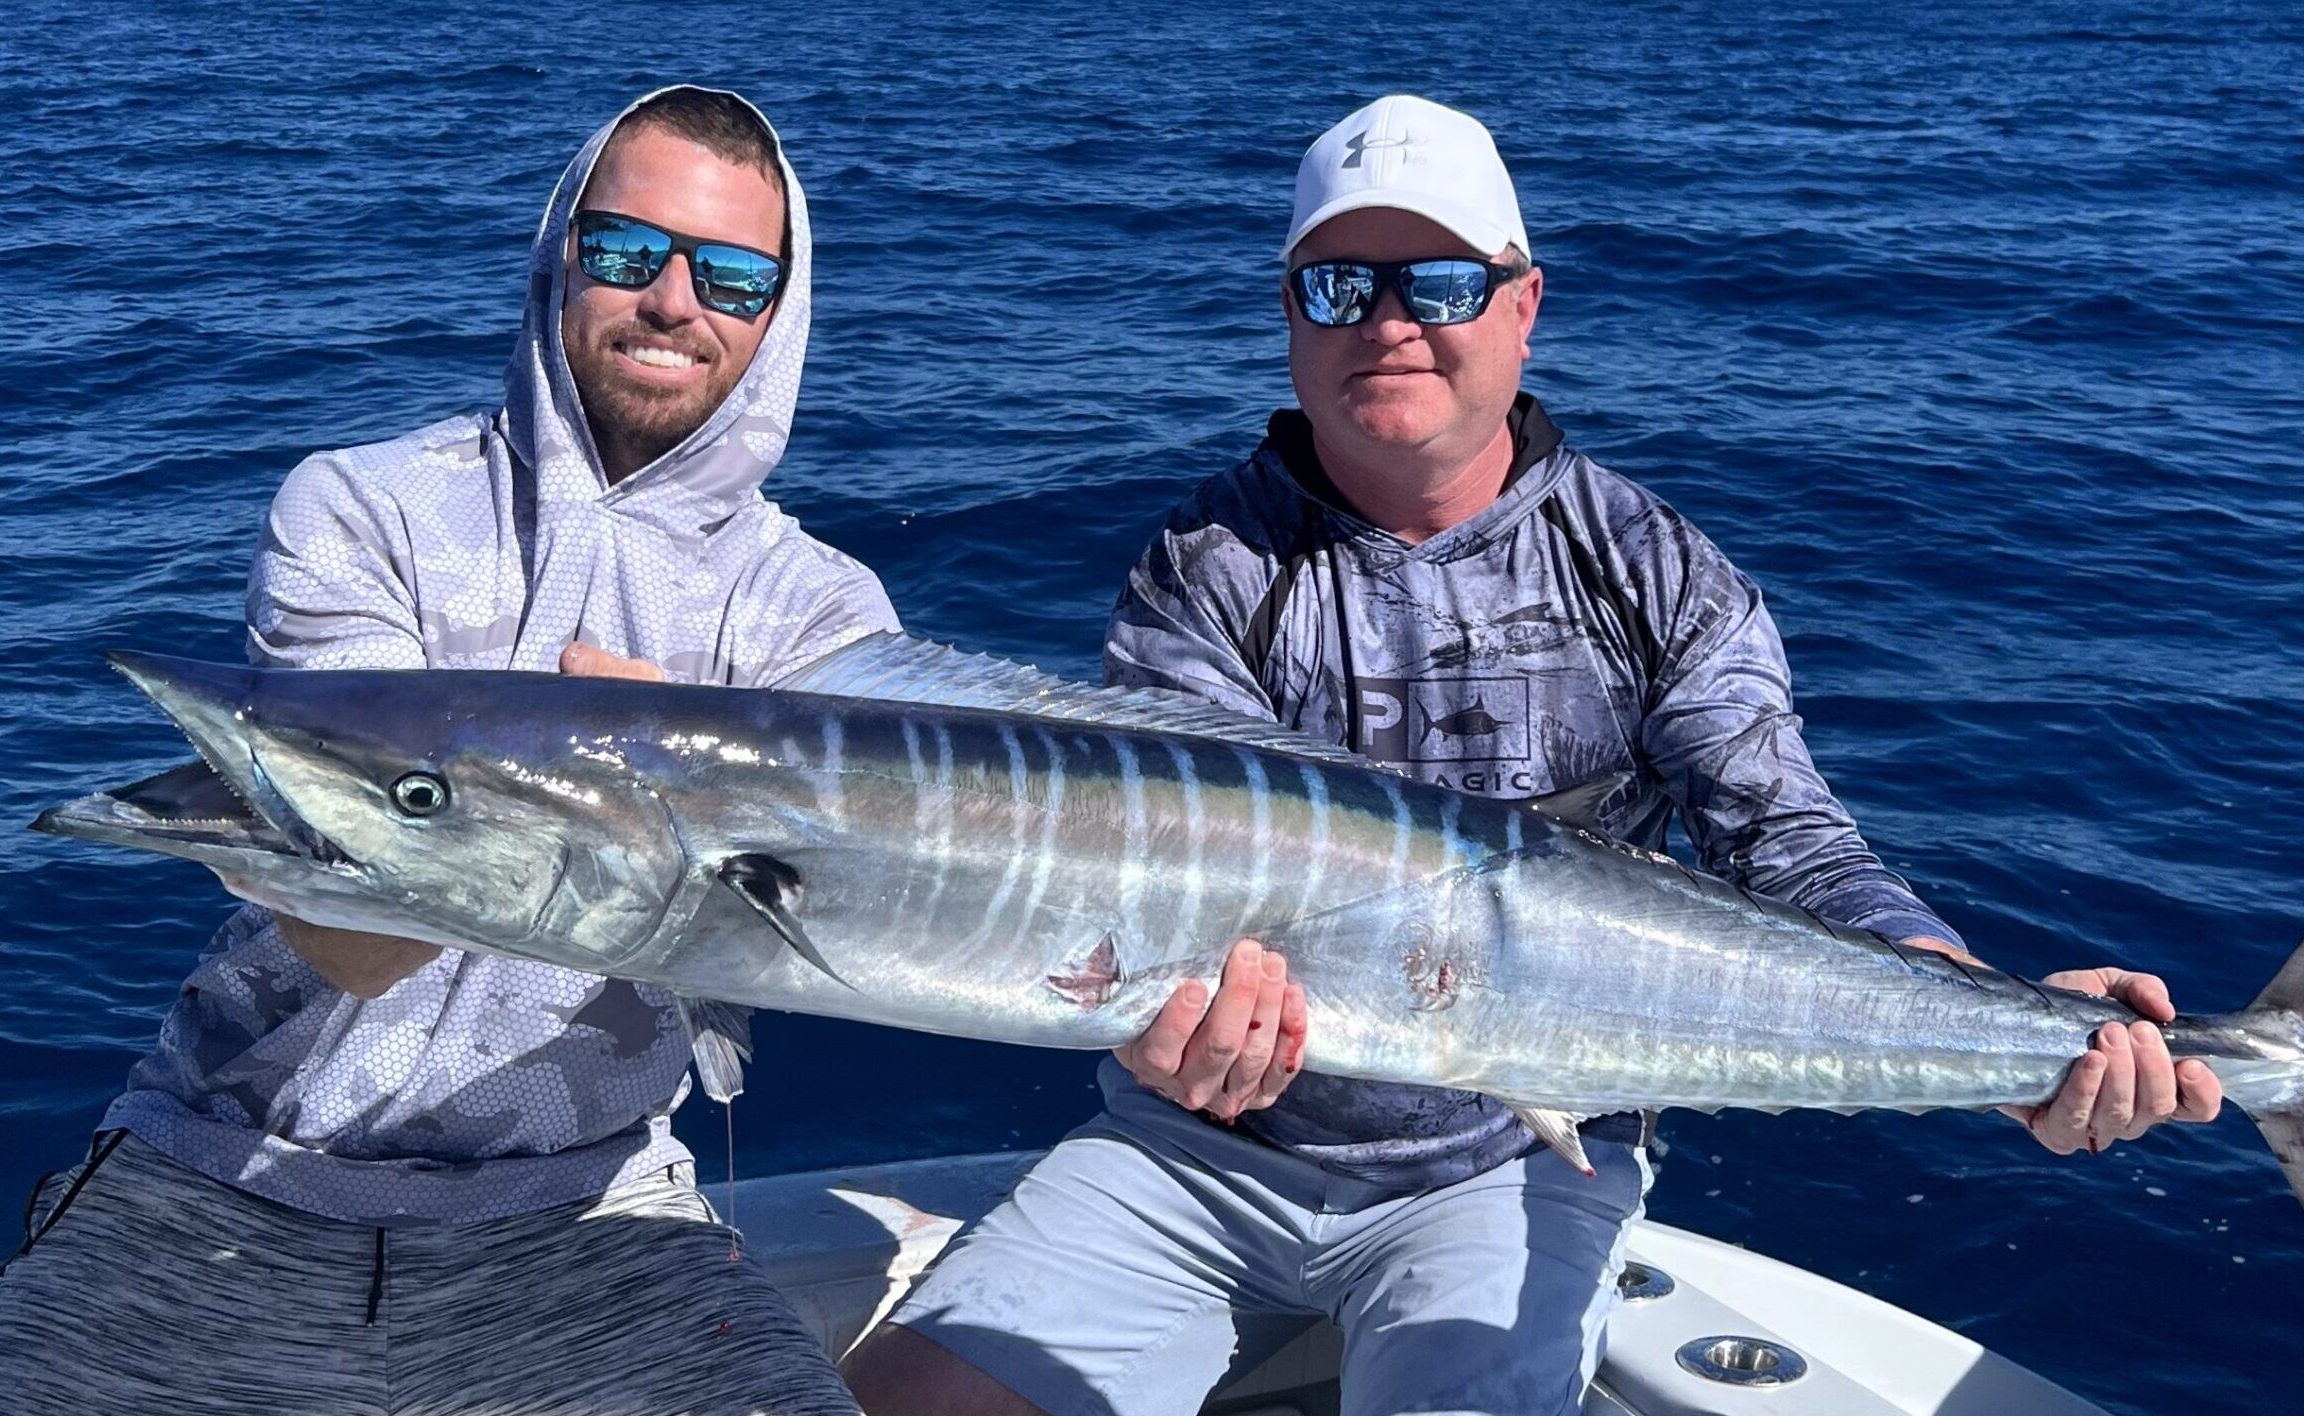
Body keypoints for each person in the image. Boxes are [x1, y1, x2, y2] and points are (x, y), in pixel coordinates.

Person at [844, 94, 2225, 1416]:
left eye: (1435, 283)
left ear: (1523, 305)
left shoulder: (1654, 573)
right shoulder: (1204, 569)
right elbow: (1166, 896)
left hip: (1517, 1159)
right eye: (1339, 287)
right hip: (1207, 1148)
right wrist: (1170, 1044)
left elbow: (1788, 843)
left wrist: (1999, 1025)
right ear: (1289, 319)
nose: (1387, 323)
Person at [0, 86, 887, 1416]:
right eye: (628, 253)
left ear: (777, 313)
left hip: (598, 1210)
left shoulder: (827, 627)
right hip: (222, 1178)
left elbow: (838, 940)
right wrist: (621, 800)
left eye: (729, 274)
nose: (676, 301)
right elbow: (346, 929)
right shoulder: (363, 508)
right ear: (562, 250)